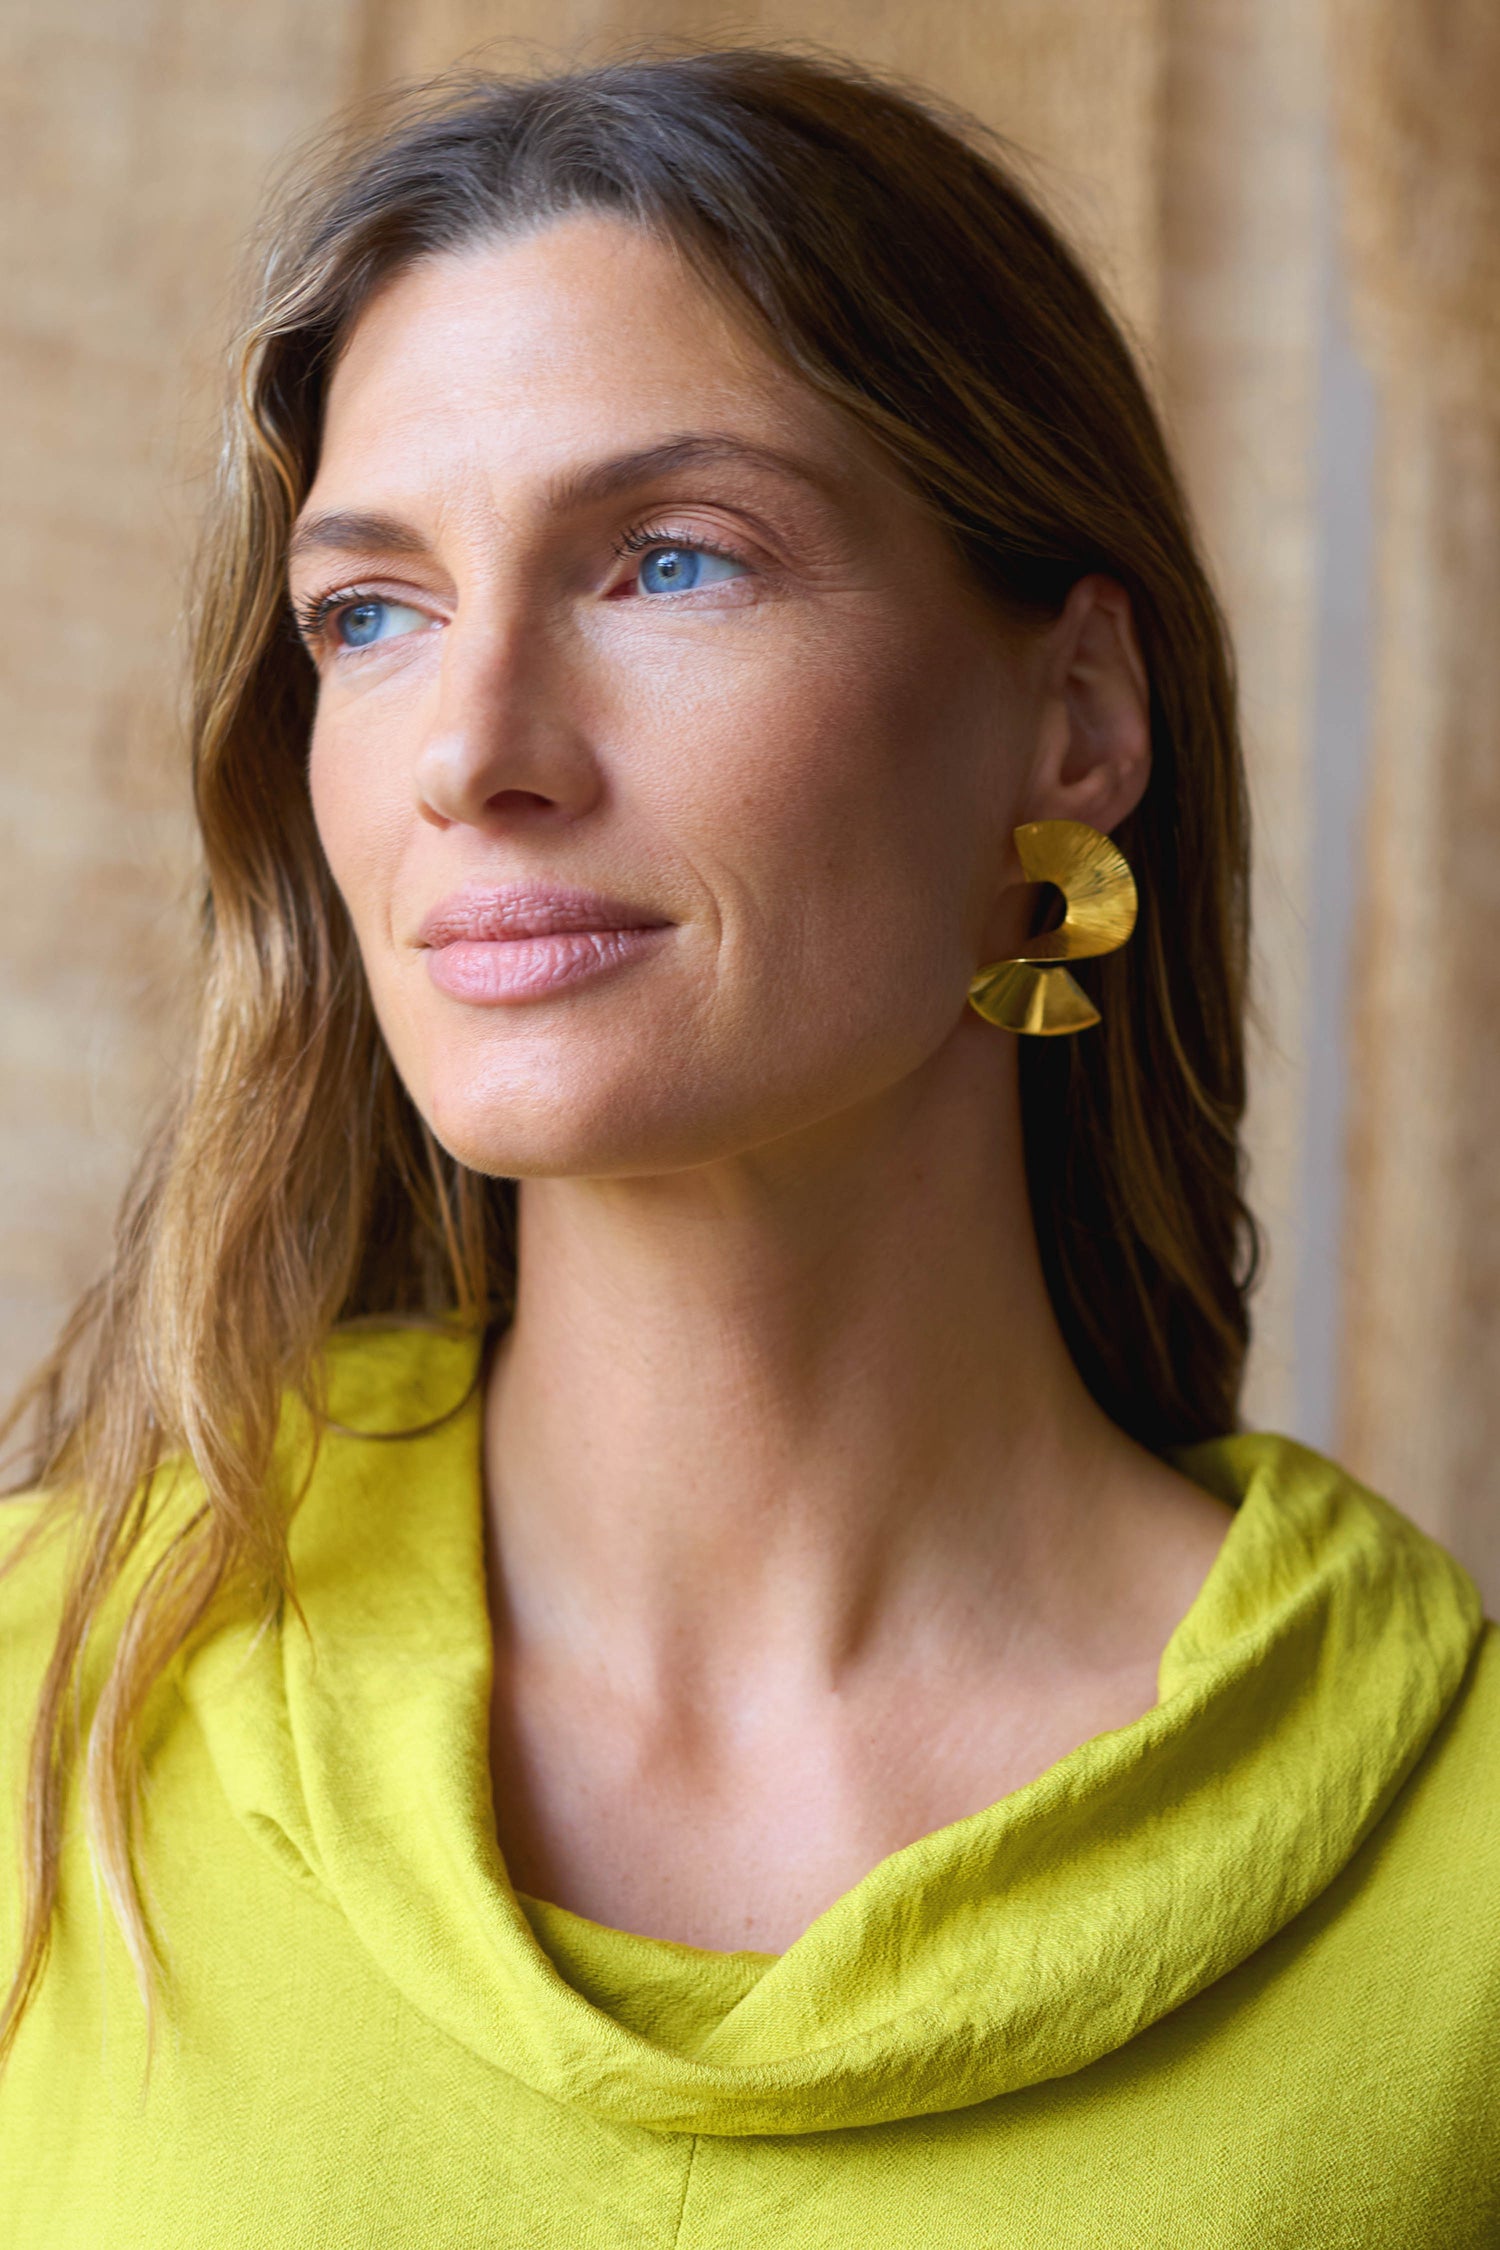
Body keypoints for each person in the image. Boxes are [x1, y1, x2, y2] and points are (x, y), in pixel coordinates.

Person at [1, 47, 1495, 2247]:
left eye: (669, 565)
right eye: (373, 613)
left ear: (1075, 719)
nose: (473, 754)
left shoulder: (1452, 1883)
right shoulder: (58, 1685)